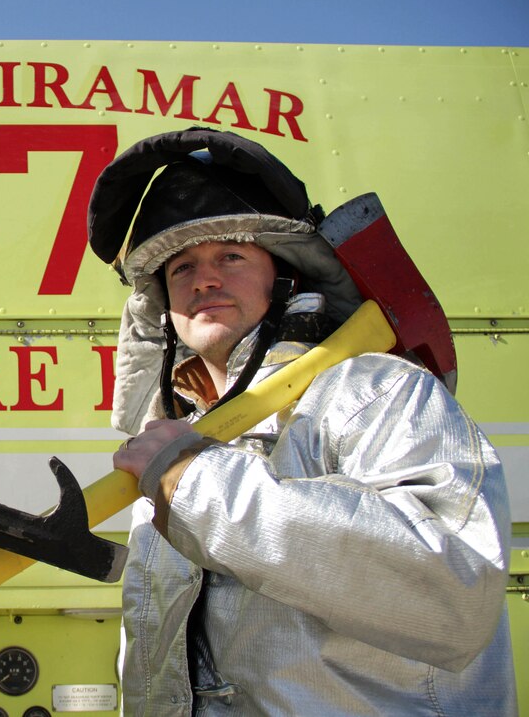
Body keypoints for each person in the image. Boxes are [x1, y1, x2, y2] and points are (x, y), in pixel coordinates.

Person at [87, 127, 516, 714]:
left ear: (284, 275)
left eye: (230, 256)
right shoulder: (173, 448)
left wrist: (197, 485)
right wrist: (182, 473)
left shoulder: (378, 393)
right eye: (181, 267)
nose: (204, 279)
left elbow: (455, 595)